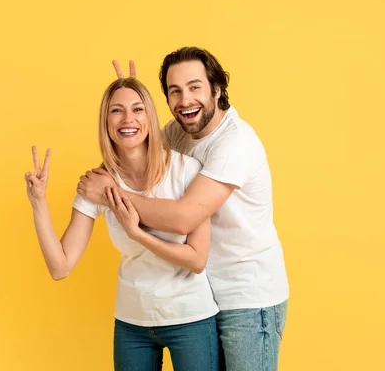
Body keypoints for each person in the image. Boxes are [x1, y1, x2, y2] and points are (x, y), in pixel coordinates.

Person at [78, 47, 289, 371]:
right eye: (174, 91)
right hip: (204, 294)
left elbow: (184, 218)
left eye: (194, 87)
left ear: (217, 89)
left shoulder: (234, 143)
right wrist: (130, 104)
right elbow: (137, 155)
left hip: (247, 296)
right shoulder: (179, 133)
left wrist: (110, 194)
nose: (185, 100)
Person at [25, 77, 220, 371]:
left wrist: (136, 233)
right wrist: (38, 202)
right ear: (105, 121)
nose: (128, 119)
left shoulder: (185, 171)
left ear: (150, 116)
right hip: (132, 325)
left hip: (189, 318)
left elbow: (197, 260)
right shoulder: (97, 184)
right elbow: (60, 266)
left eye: (138, 109)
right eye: (117, 111)